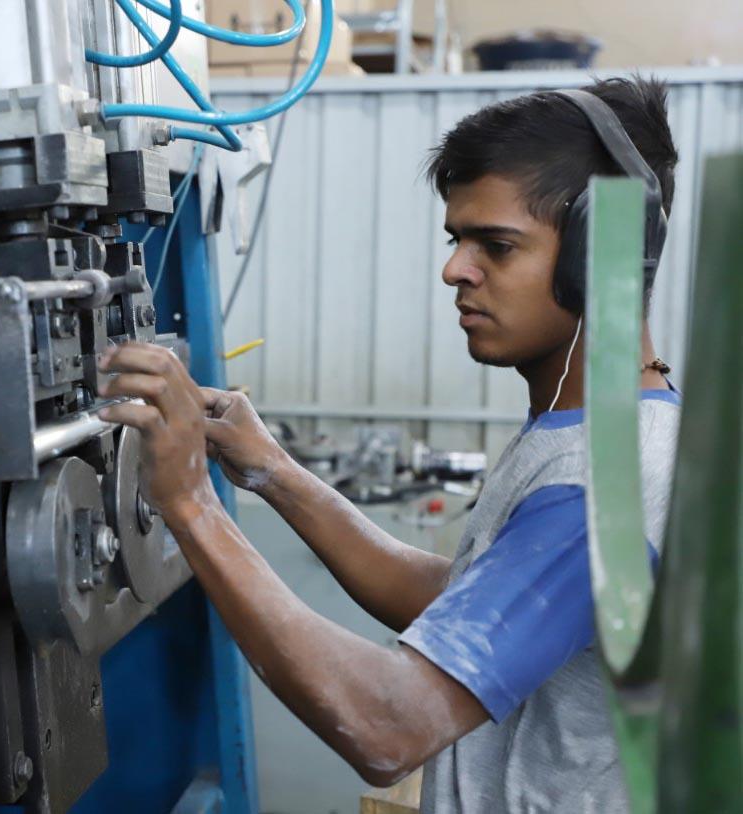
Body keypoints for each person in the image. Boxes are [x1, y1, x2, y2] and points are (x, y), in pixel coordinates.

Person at [96, 76, 680, 813]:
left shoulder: (602, 488)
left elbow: (388, 727)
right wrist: (273, 472)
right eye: (455, 239)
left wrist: (188, 501)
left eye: (495, 245)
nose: (453, 270)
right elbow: (468, 606)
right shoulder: (603, 431)